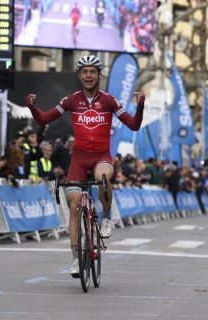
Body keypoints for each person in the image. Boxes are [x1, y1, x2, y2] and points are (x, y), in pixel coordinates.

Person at [26, 54, 145, 277]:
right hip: (79, 159)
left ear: (99, 75)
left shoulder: (109, 100)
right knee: (74, 206)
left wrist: (140, 107)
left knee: (103, 177)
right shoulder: (72, 100)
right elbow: (43, 119)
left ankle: (107, 218)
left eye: (93, 72)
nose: (88, 76)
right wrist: (32, 108)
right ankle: (74, 259)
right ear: (80, 75)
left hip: (101, 157)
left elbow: (134, 125)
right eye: (84, 72)